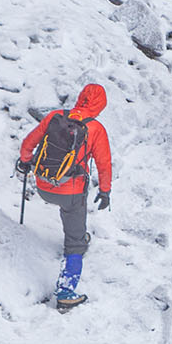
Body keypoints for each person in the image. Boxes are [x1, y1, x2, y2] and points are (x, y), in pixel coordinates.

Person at [16, 83, 112, 309]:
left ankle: (78, 236)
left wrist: (24, 160)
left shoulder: (55, 116)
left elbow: (29, 143)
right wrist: (105, 191)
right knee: (74, 239)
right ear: (101, 104)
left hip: (42, 184)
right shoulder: (95, 128)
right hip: (71, 191)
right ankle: (66, 291)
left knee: (70, 210)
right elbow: (104, 165)